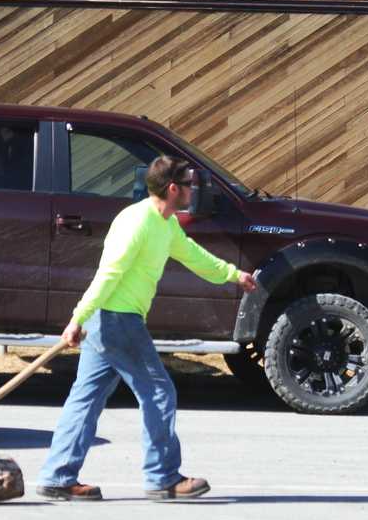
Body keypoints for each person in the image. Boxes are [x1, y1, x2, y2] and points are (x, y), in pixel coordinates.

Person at [36, 155, 258, 501]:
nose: (192, 191)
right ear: (173, 189)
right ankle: (164, 477)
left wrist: (233, 275)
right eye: (188, 185)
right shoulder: (137, 223)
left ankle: (58, 475)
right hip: (116, 319)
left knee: (87, 398)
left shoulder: (165, 223)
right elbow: (108, 273)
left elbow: (193, 255)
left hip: (111, 320)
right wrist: (78, 318)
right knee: (159, 392)